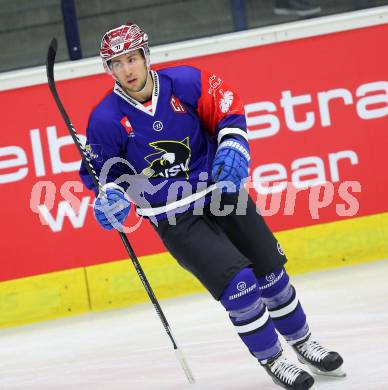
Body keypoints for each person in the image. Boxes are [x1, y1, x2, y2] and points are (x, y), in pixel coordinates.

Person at [79, 22, 345, 390]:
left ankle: (303, 342)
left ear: (146, 57)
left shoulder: (186, 82)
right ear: (109, 69)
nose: (127, 69)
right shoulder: (106, 119)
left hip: (222, 194)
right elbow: (100, 173)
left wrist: (234, 145)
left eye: (132, 58)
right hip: (174, 215)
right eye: (118, 63)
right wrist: (110, 199)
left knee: (272, 275)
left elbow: (228, 113)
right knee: (240, 286)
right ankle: (274, 358)